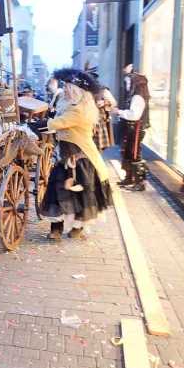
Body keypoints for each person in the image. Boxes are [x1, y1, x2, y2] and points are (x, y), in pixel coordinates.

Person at [39, 68, 112, 241]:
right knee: (56, 193)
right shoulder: (68, 104)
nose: (64, 89)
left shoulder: (80, 110)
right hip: (65, 156)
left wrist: (34, 126)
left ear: (76, 91)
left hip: (81, 159)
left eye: (68, 87)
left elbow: (57, 123)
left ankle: (76, 229)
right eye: (65, 86)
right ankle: (56, 230)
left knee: (81, 196)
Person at [113, 64, 150, 192]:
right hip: (132, 129)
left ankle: (140, 182)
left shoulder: (138, 96)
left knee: (134, 154)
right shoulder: (135, 95)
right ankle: (129, 178)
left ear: (135, 83)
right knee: (128, 153)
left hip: (135, 128)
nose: (127, 85)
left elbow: (134, 115)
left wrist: (119, 112)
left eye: (129, 82)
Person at [85, 65, 117, 151]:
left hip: (99, 122)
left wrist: (104, 103)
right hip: (86, 122)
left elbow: (113, 103)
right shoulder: (84, 91)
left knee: (96, 148)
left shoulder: (103, 90)